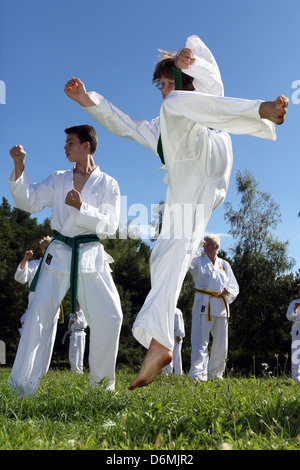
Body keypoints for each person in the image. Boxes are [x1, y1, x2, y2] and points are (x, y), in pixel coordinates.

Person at [64, 34, 288, 390]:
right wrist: (85, 100)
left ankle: (261, 111)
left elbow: (211, 87)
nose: (167, 90)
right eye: (163, 85)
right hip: (191, 184)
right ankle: (160, 343)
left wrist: (188, 65)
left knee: (179, 105)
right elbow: (121, 123)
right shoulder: (159, 127)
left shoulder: (187, 99)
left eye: (172, 83)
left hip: (211, 150)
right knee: (167, 252)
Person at [8, 124, 123, 397]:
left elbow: (110, 226)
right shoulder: (59, 178)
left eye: (70, 142)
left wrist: (82, 208)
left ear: (87, 145)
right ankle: (22, 389)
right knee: (37, 316)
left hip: (90, 255)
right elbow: (30, 201)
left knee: (111, 316)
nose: (65, 147)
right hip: (58, 253)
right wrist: (19, 166)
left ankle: (101, 389)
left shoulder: (108, 183)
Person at [189, 235, 239, 381]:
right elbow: (185, 263)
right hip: (203, 303)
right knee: (200, 341)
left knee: (220, 343)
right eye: (204, 244)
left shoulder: (224, 264)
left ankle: (216, 374)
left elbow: (234, 285)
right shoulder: (197, 261)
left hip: (221, 306)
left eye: (209, 244)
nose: (206, 247)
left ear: (217, 247)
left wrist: (228, 292)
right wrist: (196, 246)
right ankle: (198, 375)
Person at [14, 236, 52, 335]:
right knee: (31, 333)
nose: (46, 249)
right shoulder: (35, 264)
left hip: (51, 303)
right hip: (35, 300)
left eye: (49, 247)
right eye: (44, 247)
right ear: (41, 249)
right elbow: (20, 277)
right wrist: (25, 259)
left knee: (47, 338)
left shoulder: (58, 266)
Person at [63, 301, 88, 374]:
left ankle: (79, 371)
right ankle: (73, 370)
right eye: (76, 303)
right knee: (72, 353)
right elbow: (69, 326)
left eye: (78, 304)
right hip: (73, 334)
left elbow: (84, 325)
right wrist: (70, 325)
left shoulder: (83, 313)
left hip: (80, 334)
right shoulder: (72, 313)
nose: (77, 305)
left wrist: (77, 318)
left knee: (79, 353)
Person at [162, 308, 185, 375]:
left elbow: (179, 323)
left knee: (176, 355)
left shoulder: (177, 311)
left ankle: (178, 373)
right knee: (167, 354)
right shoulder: (165, 310)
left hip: (175, 335)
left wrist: (179, 335)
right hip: (167, 335)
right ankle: (166, 372)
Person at [286, 284, 300, 382]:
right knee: (296, 354)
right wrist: (295, 309)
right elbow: (289, 316)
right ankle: (296, 379)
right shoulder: (294, 302)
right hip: (297, 329)